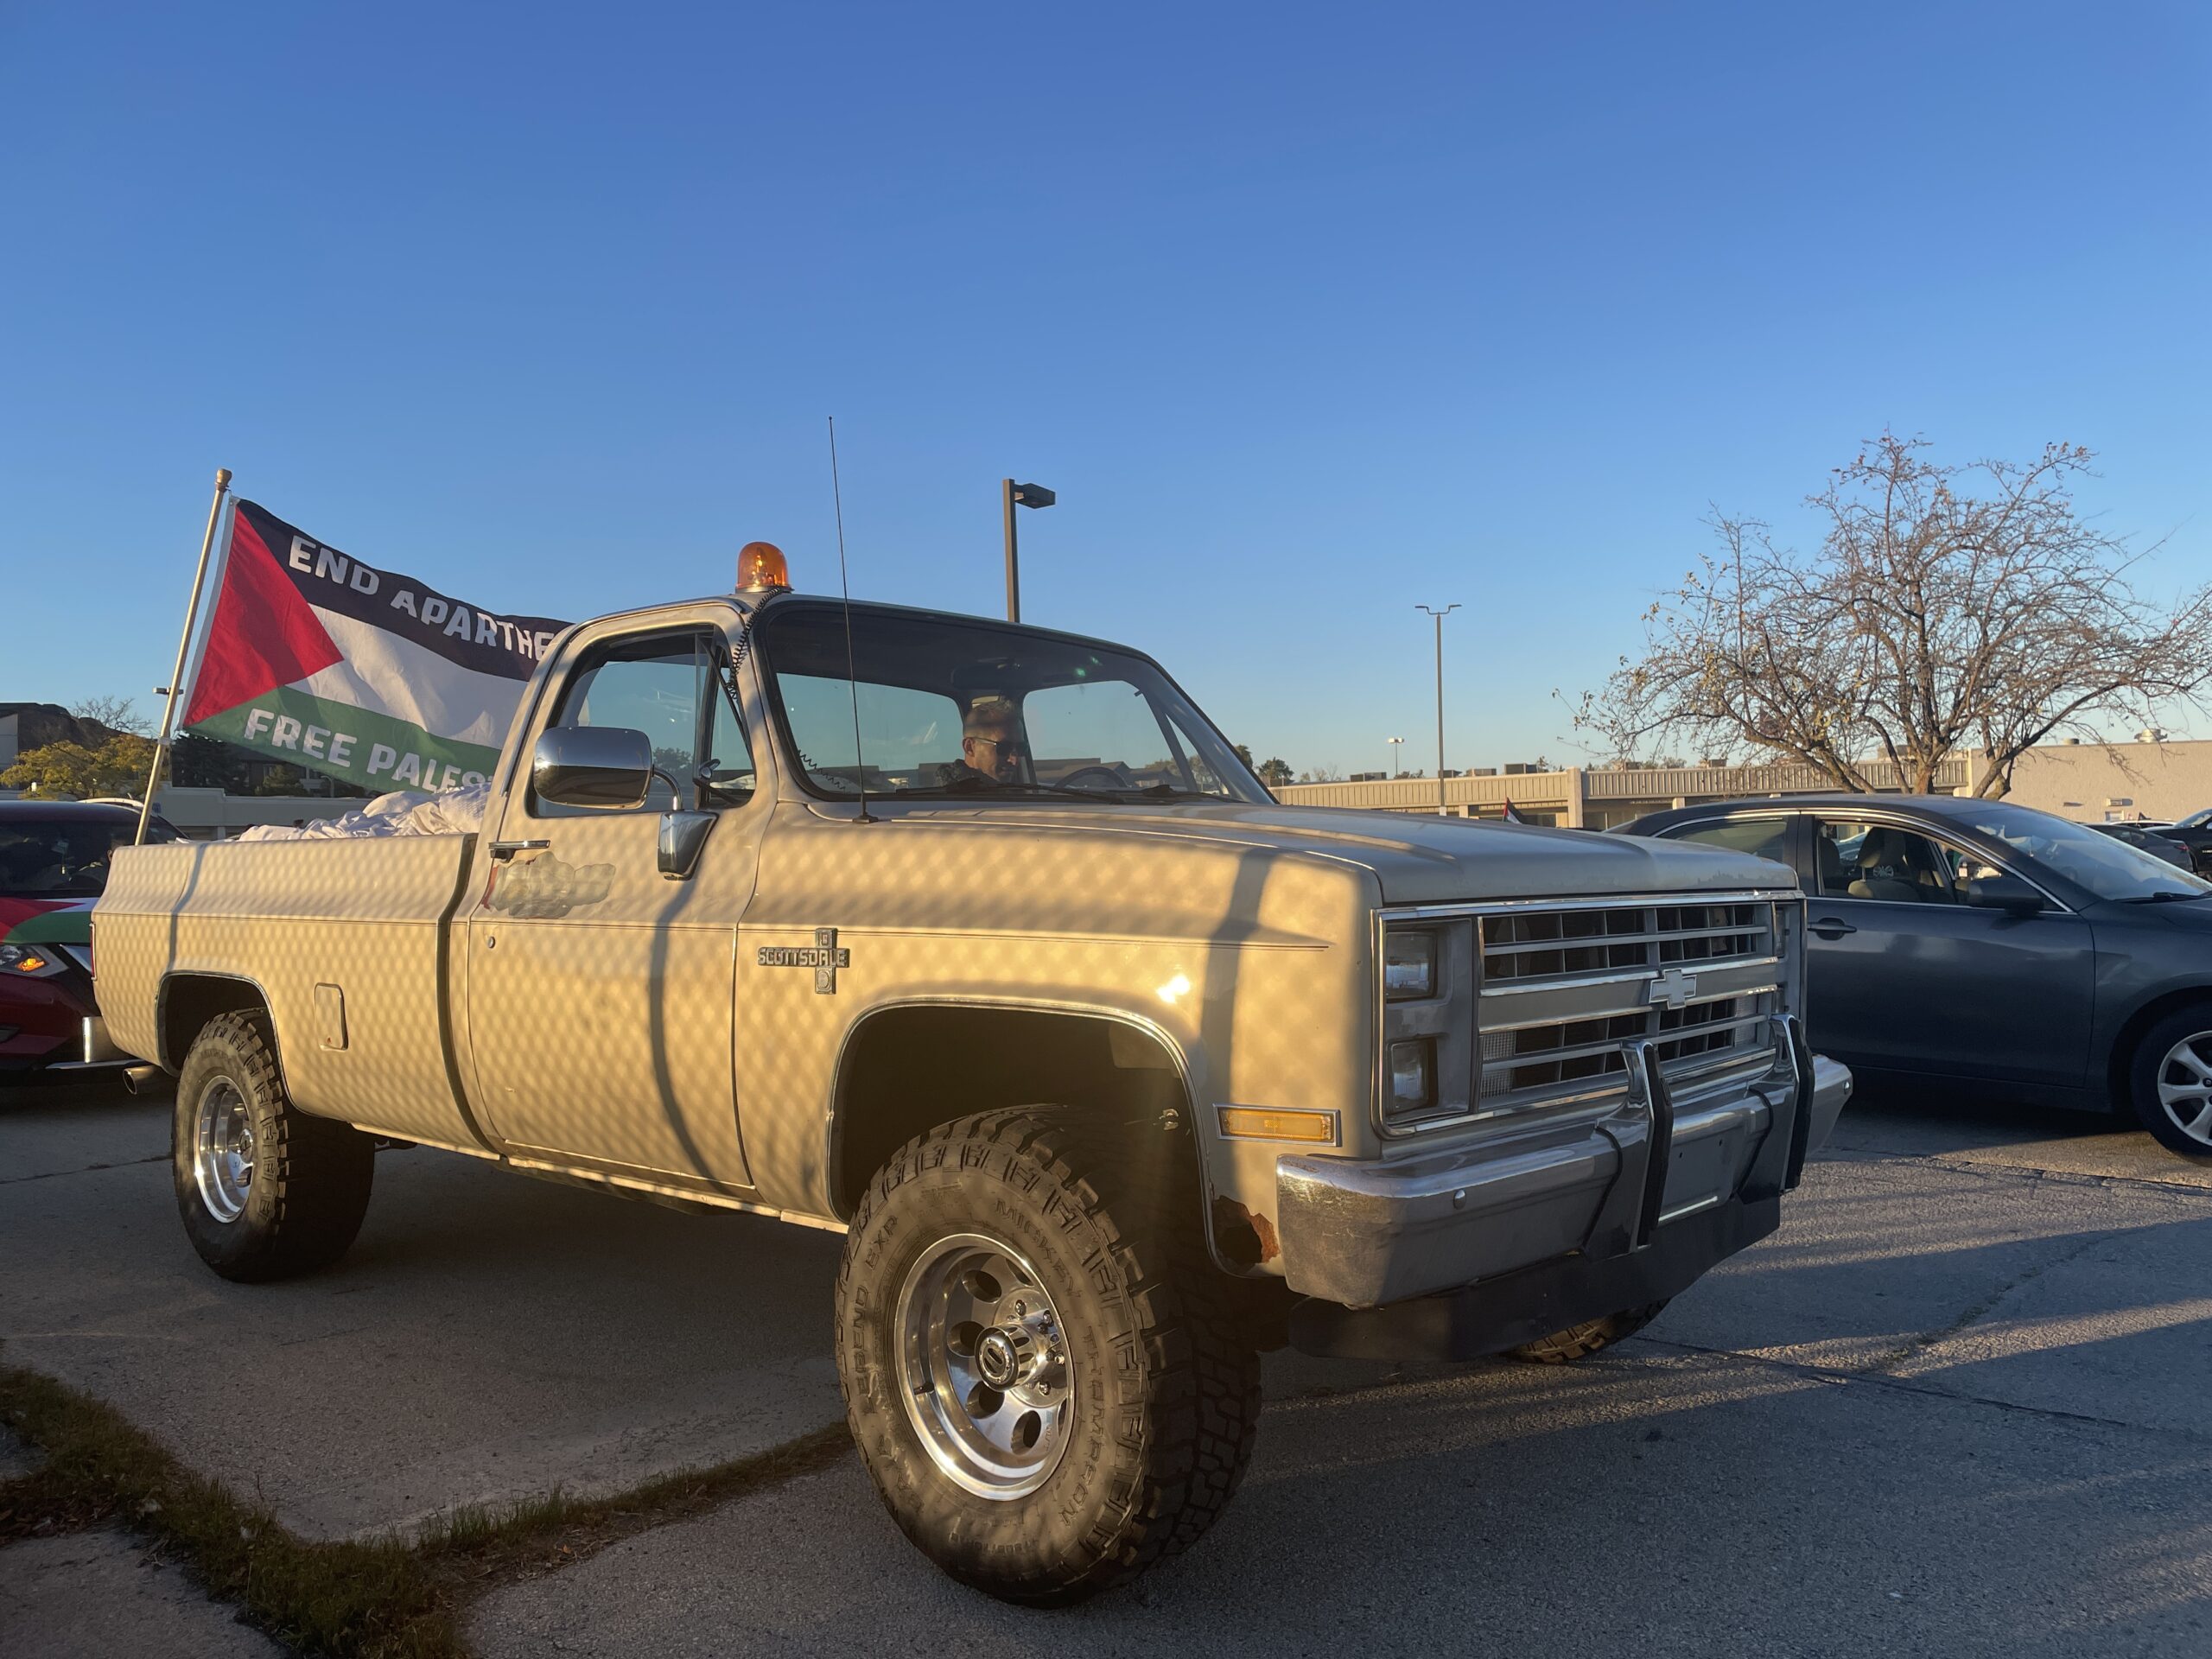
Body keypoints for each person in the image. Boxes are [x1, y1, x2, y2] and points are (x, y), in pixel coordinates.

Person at [944, 698, 1026, 785]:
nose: (1014, 760)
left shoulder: (1011, 792)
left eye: (1021, 748)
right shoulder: (948, 797)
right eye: (1004, 747)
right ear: (970, 747)